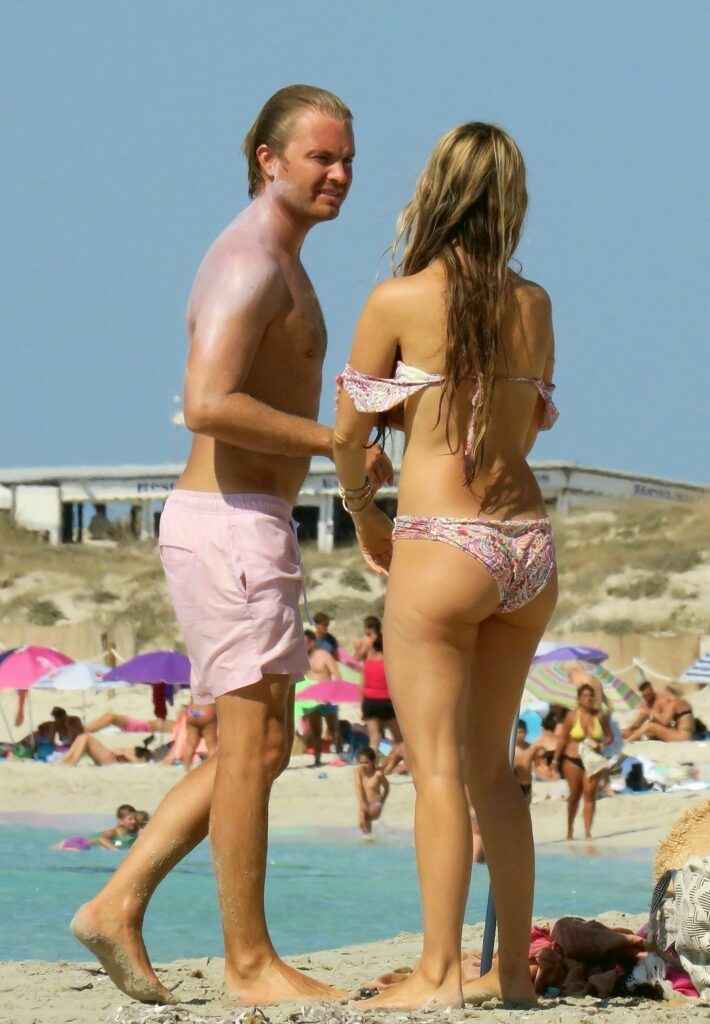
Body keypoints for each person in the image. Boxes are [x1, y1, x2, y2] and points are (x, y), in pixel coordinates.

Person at [70, 84, 392, 1007]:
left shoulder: (283, 259)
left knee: (266, 747)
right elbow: (207, 401)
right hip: (228, 524)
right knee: (251, 747)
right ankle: (250, 965)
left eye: (348, 159)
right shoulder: (249, 261)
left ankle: (116, 904)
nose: (339, 174)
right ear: (268, 159)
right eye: (321, 158)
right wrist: (333, 443)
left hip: (251, 523)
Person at [334, 122, 558, 1009]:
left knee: (434, 770)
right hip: (527, 545)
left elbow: (348, 434)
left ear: (436, 192)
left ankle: (437, 976)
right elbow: (528, 425)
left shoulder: (398, 300)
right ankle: (514, 978)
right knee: (492, 770)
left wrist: (364, 511)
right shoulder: (535, 304)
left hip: (442, 538)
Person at [553, 684, 613, 841]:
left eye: (591, 695)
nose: (589, 698)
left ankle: (587, 832)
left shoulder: (600, 716)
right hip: (573, 759)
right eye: (585, 695)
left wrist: (601, 744)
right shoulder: (572, 716)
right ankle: (570, 829)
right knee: (574, 795)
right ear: (579, 699)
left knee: (590, 794)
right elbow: (563, 739)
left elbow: (609, 736)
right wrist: (555, 759)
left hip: (593, 760)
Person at [303, 629, 341, 766]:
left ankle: (340, 755)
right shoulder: (302, 658)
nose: (303, 645)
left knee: (333, 728)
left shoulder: (324, 655)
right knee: (315, 731)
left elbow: (337, 675)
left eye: (305, 642)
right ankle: (317, 759)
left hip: (327, 697)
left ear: (312, 642)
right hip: (312, 699)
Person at [361, 634, 402, 757]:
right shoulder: (390, 663)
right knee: (398, 738)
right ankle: (397, 762)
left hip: (369, 702)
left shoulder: (367, 663)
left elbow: (362, 685)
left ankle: (371, 764)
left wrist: (362, 706)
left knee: (374, 739)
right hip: (386, 702)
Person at [624, 685, 695, 742]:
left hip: (681, 738)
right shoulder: (684, 702)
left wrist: (652, 712)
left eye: (665, 694)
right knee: (651, 728)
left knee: (649, 726)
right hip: (688, 736)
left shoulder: (673, 703)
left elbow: (665, 721)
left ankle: (629, 741)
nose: (663, 696)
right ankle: (633, 736)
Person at [54, 805, 141, 852]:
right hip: (79, 844)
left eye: (135, 819)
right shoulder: (113, 832)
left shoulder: (131, 834)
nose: (134, 821)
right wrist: (115, 850)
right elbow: (101, 839)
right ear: (120, 821)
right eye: (130, 819)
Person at [354, 746, 390, 836]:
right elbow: (359, 787)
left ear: (373, 761)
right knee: (361, 825)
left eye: (366, 762)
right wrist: (362, 804)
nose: (363, 765)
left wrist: (382, 801)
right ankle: (371, 838)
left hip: (375, 804)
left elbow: (387, 787)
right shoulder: (358, 771)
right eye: (361, 762)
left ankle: (370, 836)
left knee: (364, 822)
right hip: (363, 802)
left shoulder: (378, 774)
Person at [61, 734, 154, 766]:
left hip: (110, 759)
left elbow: (137, 763)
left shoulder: (143, 758)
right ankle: (66, 760)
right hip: (109, 756)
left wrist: (124, 753)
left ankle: (71, 762)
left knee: (86, 737)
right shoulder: (137, 749)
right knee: (82, 737)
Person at [83, 712, 174, 736]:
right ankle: (85, 729)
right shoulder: (176, 724)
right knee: (109, 716)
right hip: (141, 724)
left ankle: (84, 729)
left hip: (141, 726)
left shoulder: (176, 726)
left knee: (110, 717)